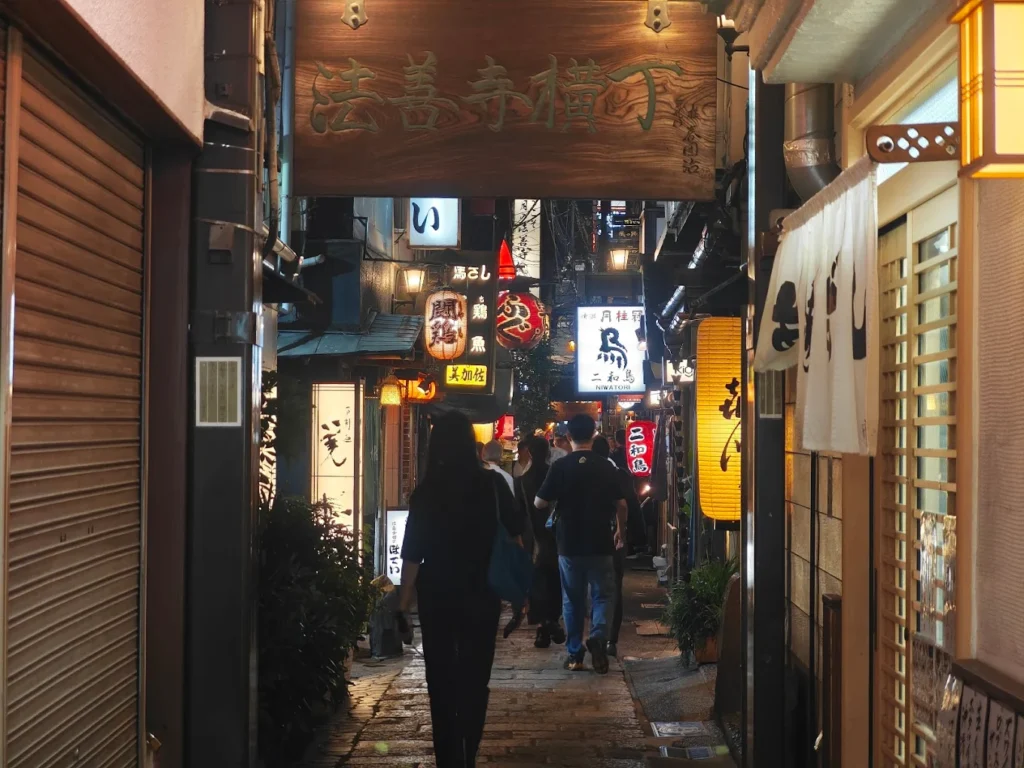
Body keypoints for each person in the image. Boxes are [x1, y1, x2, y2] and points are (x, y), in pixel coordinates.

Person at [397, 411, 525, 768]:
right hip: (481, 594)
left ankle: (447, 758)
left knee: (440, 679)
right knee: (474, 677)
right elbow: (515, 541)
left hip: (437, 596)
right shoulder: (493, 486)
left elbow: (412, 551)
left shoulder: (426, 492)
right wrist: (518, 597)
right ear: (472, 444)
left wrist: (404, 602)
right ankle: (468, 751)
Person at [535, 414, 626, 674]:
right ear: (594, 434)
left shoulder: (561, 467)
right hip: (601, 541)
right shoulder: (606, 466)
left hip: (569, 542)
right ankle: (598, 637)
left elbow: (539, 503)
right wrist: (620, 530)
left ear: (568, 437)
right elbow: (621, 504)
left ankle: (575, 654)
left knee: (572, 598)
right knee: (603, 595)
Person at [592, 436, 640, 658]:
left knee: (594, 588)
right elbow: (632, 505)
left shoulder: (587, 474)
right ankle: (611, 639)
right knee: (614, 588)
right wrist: (636, 538)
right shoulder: (620, 474)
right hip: (616, 539)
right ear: (609, 452)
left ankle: (597, 634)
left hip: (591, 540)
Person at [517, 436, 566, 648]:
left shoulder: (521, 481)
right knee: (555, 582)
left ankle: (542, 628)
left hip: (531, 538)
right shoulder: (556, 475)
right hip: (555, 536)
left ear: (529, 452)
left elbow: (518, 514)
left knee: (536, 584)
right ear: (548, 453)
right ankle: (551, 621)